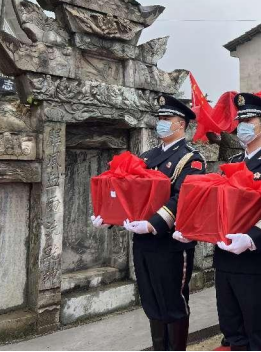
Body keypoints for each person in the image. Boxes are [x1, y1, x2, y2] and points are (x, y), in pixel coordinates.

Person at [92, 95, 206, 352]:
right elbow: (128, 193)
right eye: (159, 118)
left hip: (170, 243)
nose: (161, 123)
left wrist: (154, 224)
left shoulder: (191, 159)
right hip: (143, 242)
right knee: (151, 302)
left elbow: (183, 197)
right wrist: (109, 217)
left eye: (167, 118)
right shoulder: (147, 156)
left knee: (173, 303)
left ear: (181, 124)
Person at [204, 93, 261, 352]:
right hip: (226, 257)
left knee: (258, 332)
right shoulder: (233, 162)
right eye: (240, 121)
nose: (242, 126)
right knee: (232, 330)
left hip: (256, 260)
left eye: (249, 121)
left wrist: (252, 237)